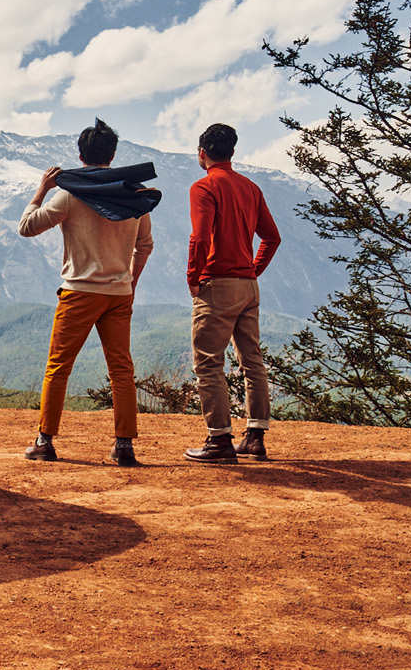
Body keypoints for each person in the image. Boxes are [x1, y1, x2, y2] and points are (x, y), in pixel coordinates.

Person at [19, 119, 158, 466]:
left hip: (79, 292)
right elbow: (145, 246)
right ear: (113, 155)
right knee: (121, 370)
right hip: (119, 293)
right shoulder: (133, 195)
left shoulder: (70, 195)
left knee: (58, 367)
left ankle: (45, 441)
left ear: (80, 157)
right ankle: (124, 445)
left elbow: (27, 227)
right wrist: (131, 282)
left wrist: (41, 189)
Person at [184, 123, 281, 464]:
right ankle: (254, 438)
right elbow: (272, 237)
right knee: (252, 362)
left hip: (218, 284)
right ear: (233, 152)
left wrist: (193, 277)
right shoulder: (251, 188)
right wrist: (252, 269)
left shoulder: (204, 187)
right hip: (248, 286)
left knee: (208, 363)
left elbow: (200, 237)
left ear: (202, 153)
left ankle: (219, 441)